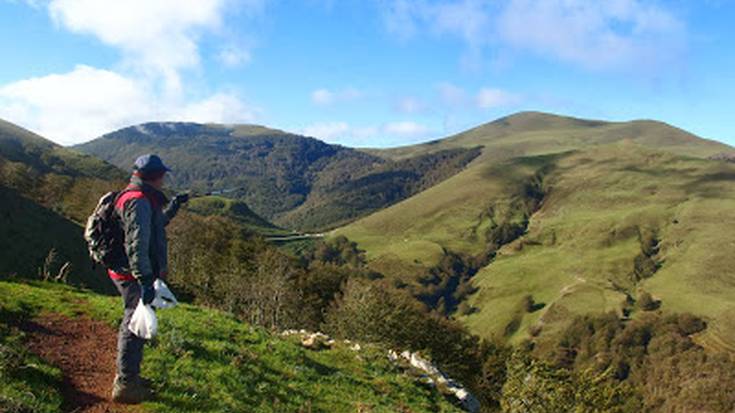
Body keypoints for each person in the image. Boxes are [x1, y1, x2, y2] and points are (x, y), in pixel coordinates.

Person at [108, 154, 188, 404]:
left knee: (135, 322)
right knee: (134, 323)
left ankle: (130, 376)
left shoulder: (138, 197)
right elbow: (136, 244)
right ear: (155, 176)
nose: (164, 179)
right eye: (163, 175)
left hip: (131, 271)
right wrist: (144, 281)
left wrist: (173, 206)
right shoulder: (139, 201)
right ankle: (126, 384)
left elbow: (155, 225)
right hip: (133, 274)